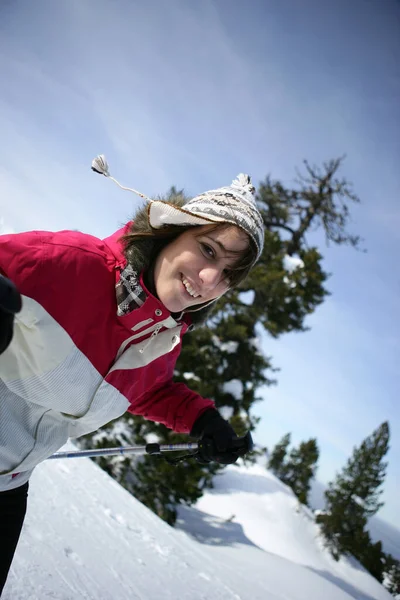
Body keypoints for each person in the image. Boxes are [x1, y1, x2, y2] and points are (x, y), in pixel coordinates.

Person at [0, 158, 264, 593]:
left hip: (9, 487)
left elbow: (148, 389)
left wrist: (203, 422)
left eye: (229, 276)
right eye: (209, 250)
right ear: (172, 230)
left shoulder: (160, 340)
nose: (211, 278)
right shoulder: (73, 264)